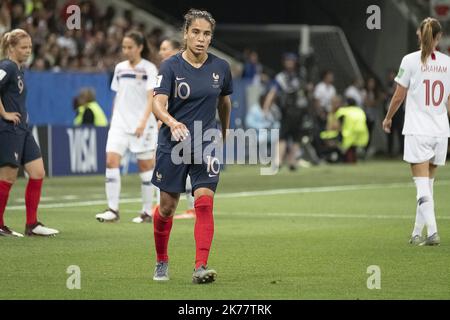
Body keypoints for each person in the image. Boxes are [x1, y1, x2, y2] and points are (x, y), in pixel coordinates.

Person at [150, 9, 232, 284]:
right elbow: (157, 104)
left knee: (204, 204)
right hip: (172, 144)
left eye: (206, 33)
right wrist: (172, 122)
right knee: (167, 208)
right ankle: (162, 260)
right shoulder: (170, 67)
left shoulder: (221, 67)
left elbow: (224, 102)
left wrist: (225, 132)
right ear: (185, 34)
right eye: (195, 32)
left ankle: (200, 266)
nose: (201, 38)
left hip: (205, 143)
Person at [383, 17, 450, 246]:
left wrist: (388, 117)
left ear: (419, 35)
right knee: (428, 184)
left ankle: (432, 232)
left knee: (421, 185)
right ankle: (415, 232)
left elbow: (399, 95)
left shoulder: (410, 60)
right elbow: (449, 101)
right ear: (439, 37)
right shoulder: (447, 62)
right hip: (440, 131)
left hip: (418, 130)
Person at [95, 30, 159, 224]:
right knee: (111, 161)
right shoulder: (120, 68)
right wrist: (114, 118)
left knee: (145, 167)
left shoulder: (149, 68)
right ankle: (112, 209)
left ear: (140, 47)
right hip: (120, 124)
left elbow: (151, 98)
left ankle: (147, 211)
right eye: (124, 47)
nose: (126, 50)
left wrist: (143, 122)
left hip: (142, 125)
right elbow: (118, 95)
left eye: (130, 47)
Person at [0, 29, 59, 237]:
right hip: (9, 129)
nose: (28, 51)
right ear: (11, 48)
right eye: (23, 48)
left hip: (23, 129)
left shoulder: (18, 70)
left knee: (37, 172)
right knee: (8, 177)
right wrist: (4, 113)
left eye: (30, 47)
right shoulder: (6, 66)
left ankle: (32, 224)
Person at [157, 37, 195, 219]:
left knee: (189, 168)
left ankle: (192, 207)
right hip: (169, 127)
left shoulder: (185, 68)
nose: (161, 52)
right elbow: (159, 100)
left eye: (164, 48)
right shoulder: (166, 69)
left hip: (186, 128)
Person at [263, 53, 307, 171]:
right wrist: (266, 107)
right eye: (287, 61)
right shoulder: (281, 77)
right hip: (287, 110)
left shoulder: (300, 76)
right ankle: (278, 161)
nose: (289, 63)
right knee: (283, 135)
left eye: (291, 61)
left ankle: (292, 161)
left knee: (296, 137)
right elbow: (273, 92)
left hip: (300, 110)